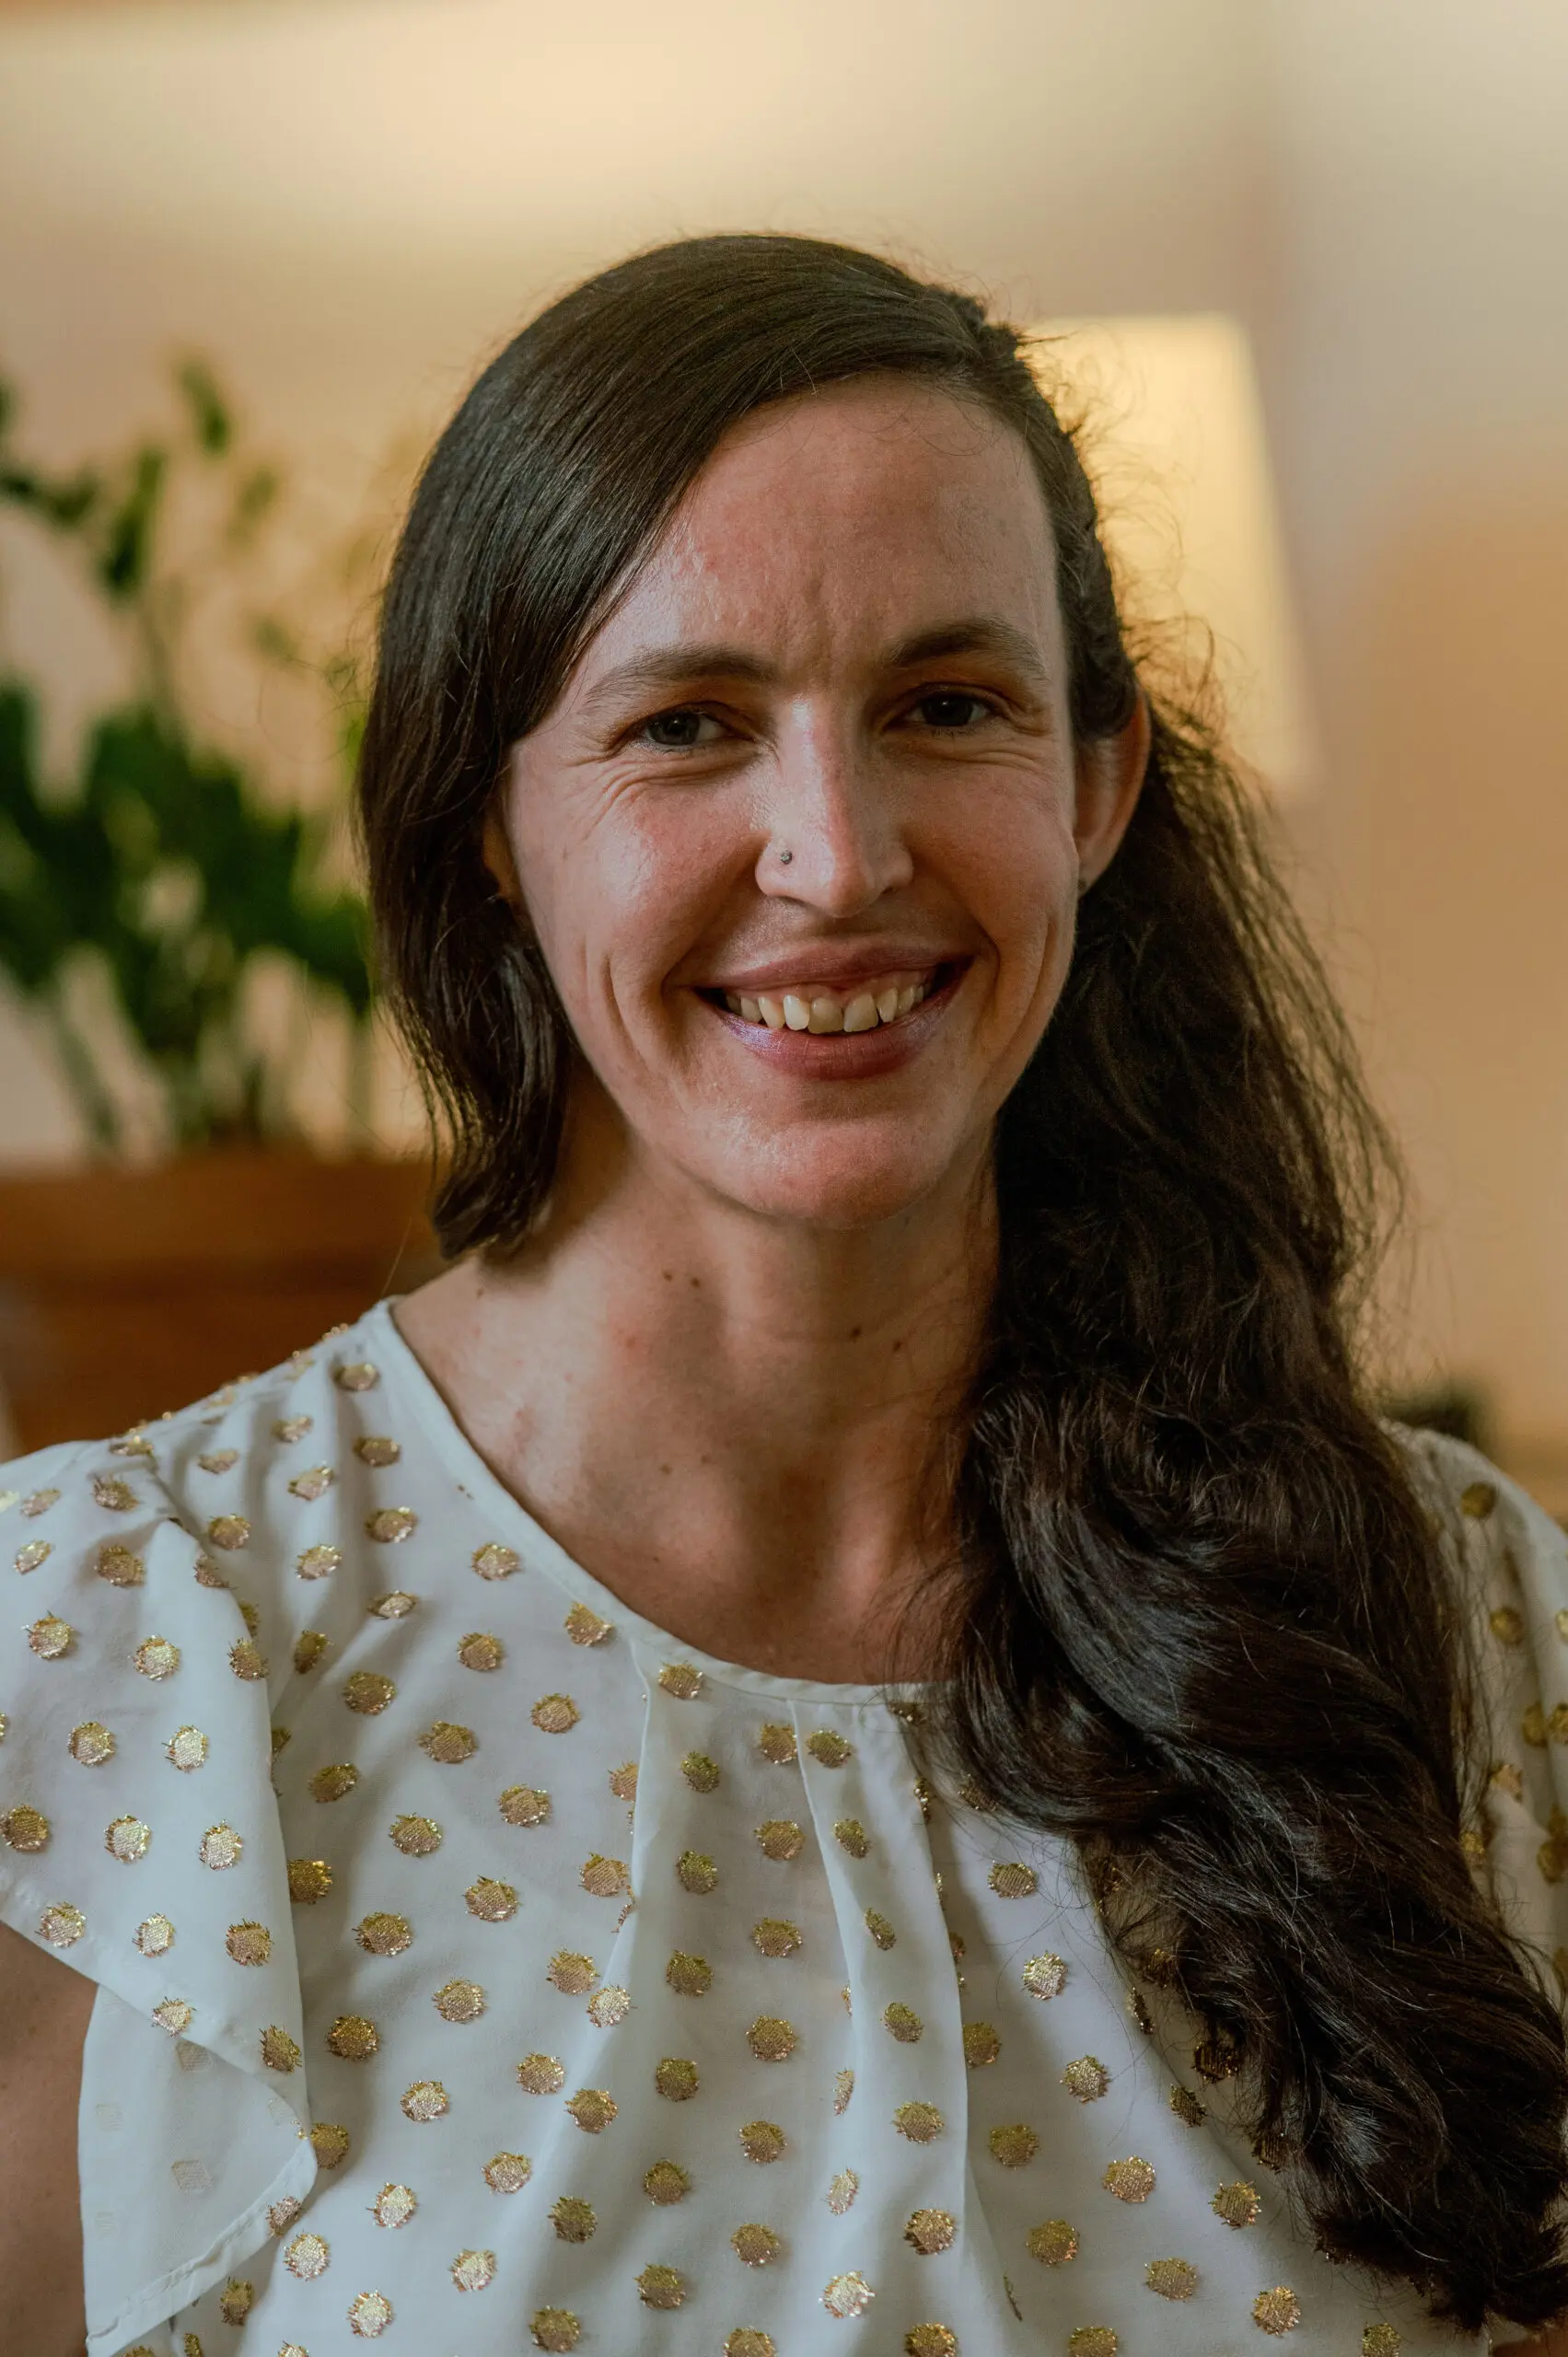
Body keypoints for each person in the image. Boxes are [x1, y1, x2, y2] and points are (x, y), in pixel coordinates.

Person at [2, 232, 1567, 2357]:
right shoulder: (121, 1669)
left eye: (944, 706)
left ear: (1093, 785)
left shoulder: (1469, 1623)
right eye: (687, 724)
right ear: (485, 820)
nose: (833, 853)